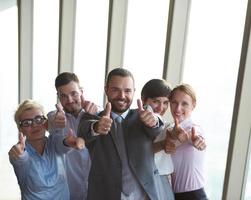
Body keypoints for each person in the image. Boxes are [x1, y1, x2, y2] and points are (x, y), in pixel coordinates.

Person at [78, 68, 174, 200]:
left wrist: (154, 120)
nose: (122, 96)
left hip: (144, 195)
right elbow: (84, 130)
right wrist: (96, 127)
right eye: (115, 90)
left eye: (127, 91)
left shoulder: (142, 117)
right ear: (106, 90)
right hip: (106, 194)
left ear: (134, 92)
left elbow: (157, 125)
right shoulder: (94, 118)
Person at [8, 99, 84, 200]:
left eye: (38, 119)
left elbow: (62, 144)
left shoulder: (54, 141)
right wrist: (18, 155)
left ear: (45, 122)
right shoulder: (20, 152)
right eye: (27, 122)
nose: (34, 125)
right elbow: (21, 159)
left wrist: (70, 142)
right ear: (20, 128)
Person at [47, 72, 99, 200]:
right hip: (69, 193)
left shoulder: (97, 113)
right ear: (58, 97)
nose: (69, 100)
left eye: (74, 93)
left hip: (98, 191)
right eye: (63, 96)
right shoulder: (55, 118)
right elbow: (55, 141)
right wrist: (53, 122)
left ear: (81, 91)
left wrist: (95, 116)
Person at [166, 83, 208, 200]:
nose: (178, 108)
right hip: (176, 194)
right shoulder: (169, 128)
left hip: (194, 195)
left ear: (193, 105)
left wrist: (199, 141)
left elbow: (197, 136)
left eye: (184, 103)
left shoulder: (194, 127)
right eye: (174, 102)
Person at [140, 79, 174, 182]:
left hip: (163, 179)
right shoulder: (132, 123)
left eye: (165, 103)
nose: (161, 108)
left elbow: (174, 131)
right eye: (156, 101)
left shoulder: (167, 126)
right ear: (143, 100)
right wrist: (162, 145)